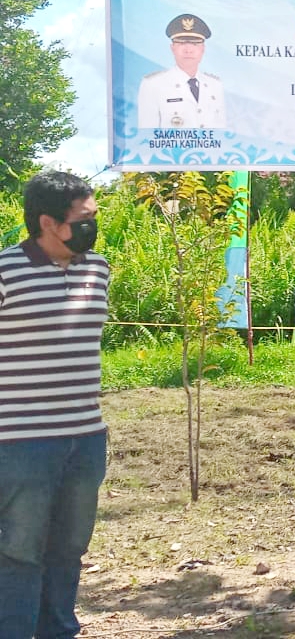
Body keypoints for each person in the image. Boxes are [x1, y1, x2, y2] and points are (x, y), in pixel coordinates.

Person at [0, 172, 110, 639]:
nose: (92, 227)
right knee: (21, 550)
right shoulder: (6, 271)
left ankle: (59, 631)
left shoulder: (97, 268)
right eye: (83, 219)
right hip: (22, 442)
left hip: (86, 437)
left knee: (69, 548)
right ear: (47, 222)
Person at [137, 13, 227, 128]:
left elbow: (220, 135)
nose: (188, 50)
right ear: (172, 48)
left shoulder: (215, 85)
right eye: (182, 43)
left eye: (194, 44)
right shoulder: (153, 85)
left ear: (203, 49)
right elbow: (147, 136)